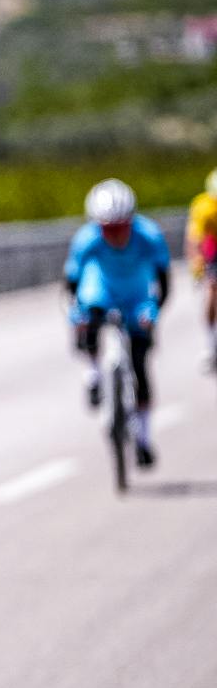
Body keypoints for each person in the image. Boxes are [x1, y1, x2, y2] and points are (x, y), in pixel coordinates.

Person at [66, 179, 171, 467]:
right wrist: (77, 316)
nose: (114, 235)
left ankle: (144, 439)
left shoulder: (148, 236)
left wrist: (154, 311)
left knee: (140, 366)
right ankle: (93, 374)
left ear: (131, 221)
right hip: (102, 291)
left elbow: (164, 280)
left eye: (120, 227)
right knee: (86, 320)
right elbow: (72, 283)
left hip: (137, 296)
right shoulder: (87, 239)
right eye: (107, 229)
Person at [186, 169, 217, 368]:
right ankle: (209, 342)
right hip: (213, 247)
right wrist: (197, 265)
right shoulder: (204, 207)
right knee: (212, 290)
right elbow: (195, 240)